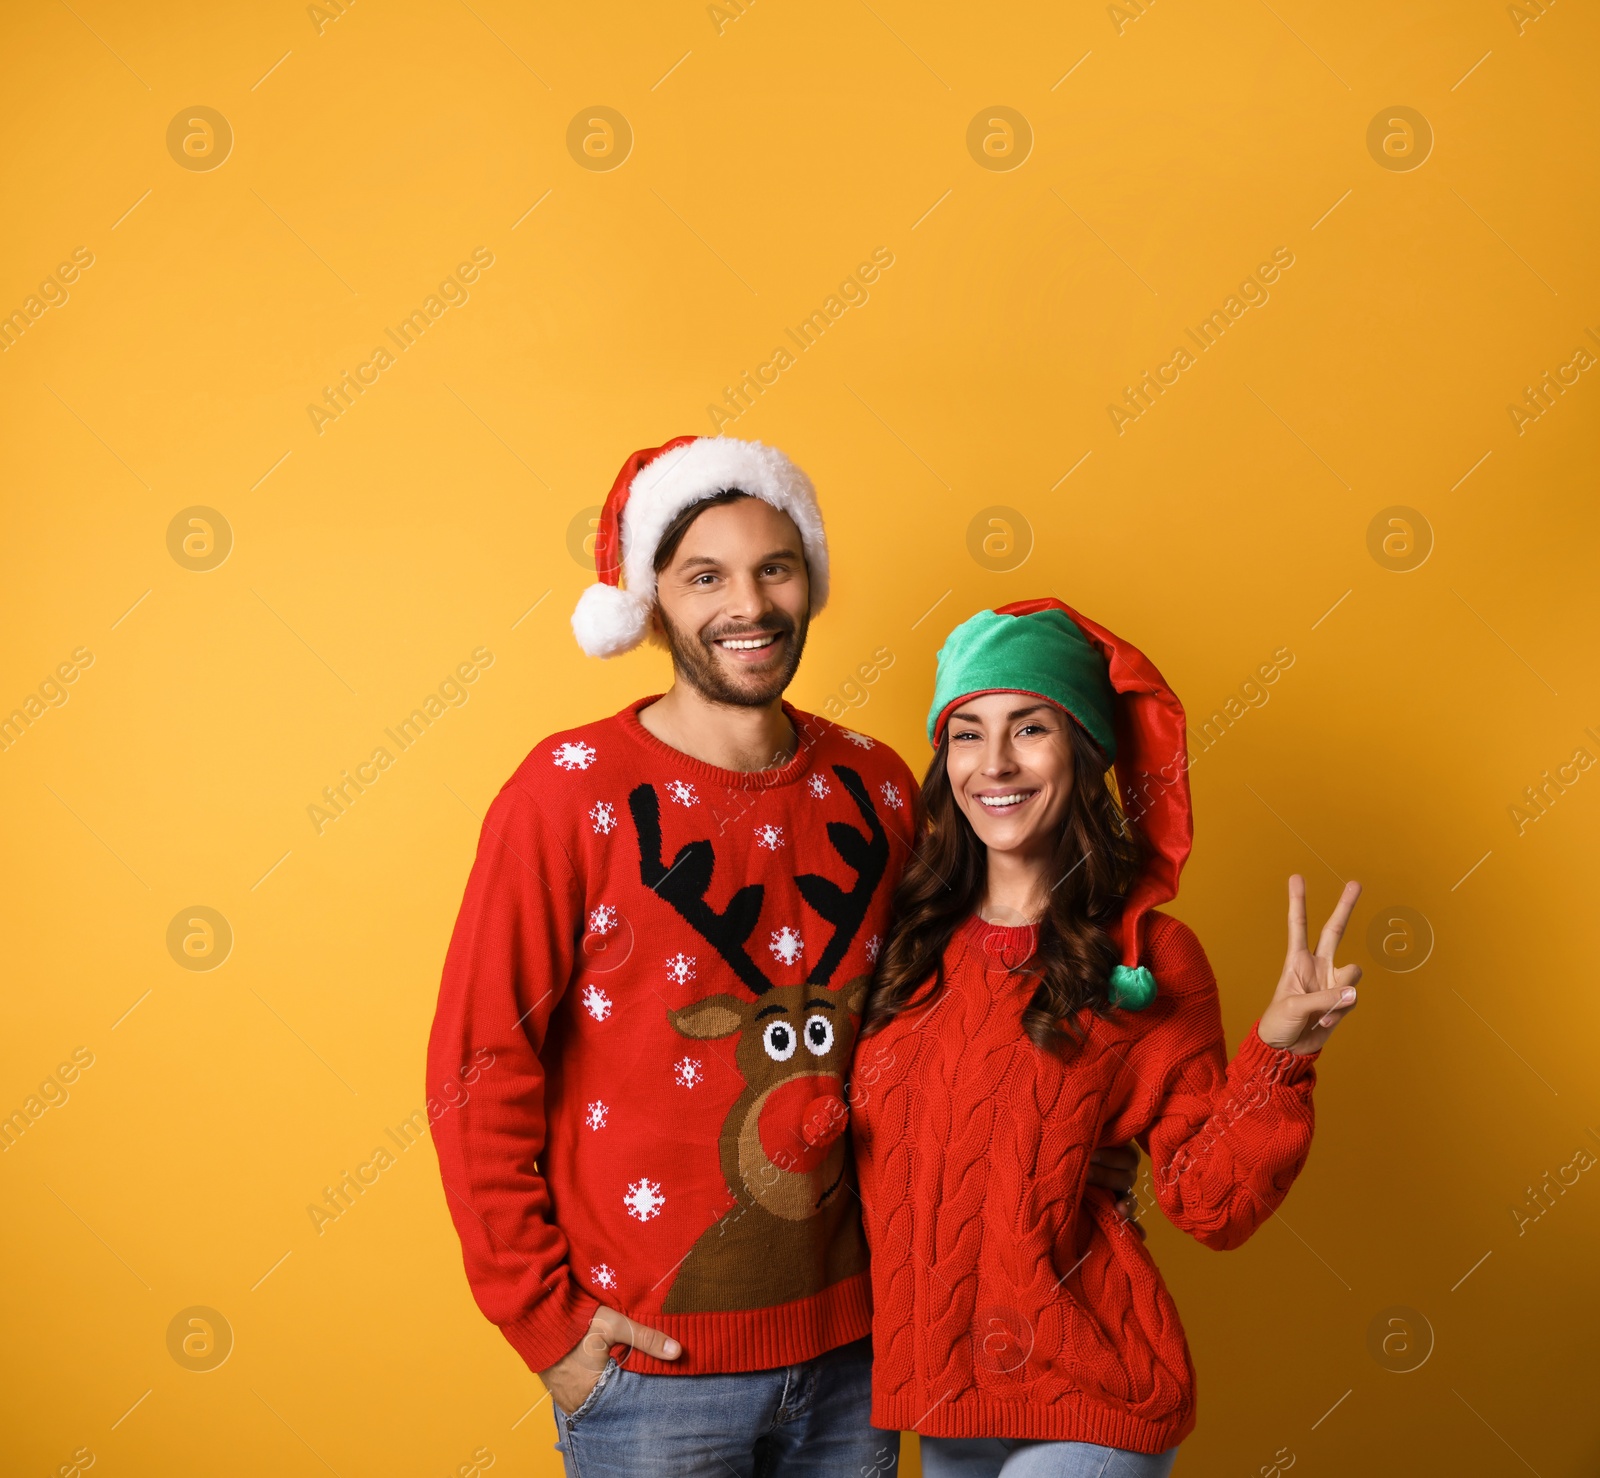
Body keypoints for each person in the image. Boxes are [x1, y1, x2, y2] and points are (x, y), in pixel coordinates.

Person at [426, 437, 1144, 1477]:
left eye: (774, 566)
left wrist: (1097, 1121)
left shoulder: (881, 786)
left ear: (807, 579)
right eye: (703, 575)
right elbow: (477, 1065)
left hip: (863, 1353)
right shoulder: (564, 793)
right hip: (649, 1375)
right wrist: (548, 1325)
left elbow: (956, 1009)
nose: (747, 603)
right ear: (653, 600)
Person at [851, 598, 1363, 1477]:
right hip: (939, 1401)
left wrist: (1282, 1052)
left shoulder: (1148, 954)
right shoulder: (904, 935)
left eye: (1030, 727)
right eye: (966, 734)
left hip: (1090, 1397)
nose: (995, 763)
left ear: (1083, 751)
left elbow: (1207, 1203)